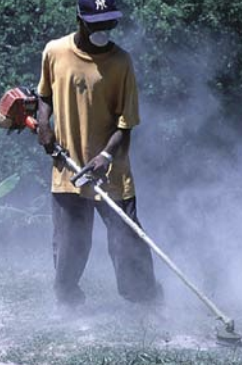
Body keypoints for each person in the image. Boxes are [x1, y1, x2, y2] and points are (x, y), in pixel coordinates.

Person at [37, 0, 162, 308]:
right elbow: (44, 95)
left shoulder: (121, 62)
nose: (104, 30)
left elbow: (126, 123)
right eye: (98, 23)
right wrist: (43, 124)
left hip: (110, 170)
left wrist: (105, 157)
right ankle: (68, 305)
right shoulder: (55, 52)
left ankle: (146, 304)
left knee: (127, 240)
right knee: (68, 245)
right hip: (69, 169)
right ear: (81, 19)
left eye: (110, 23)